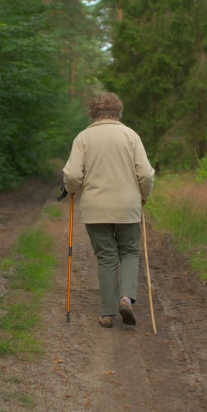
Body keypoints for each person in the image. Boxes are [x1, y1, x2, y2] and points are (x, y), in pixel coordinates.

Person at [62, 93, 155, 328]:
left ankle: (108, 313)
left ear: (93, 114)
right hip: (128, 206)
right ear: (118, 112)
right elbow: (145, 174)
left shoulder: (83, 137)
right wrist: (143, 197)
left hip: (96, 208)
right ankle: (126, 299)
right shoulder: (130, 135)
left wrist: (71, 189)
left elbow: (72, 175)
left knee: (106, 257)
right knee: (129, 253)